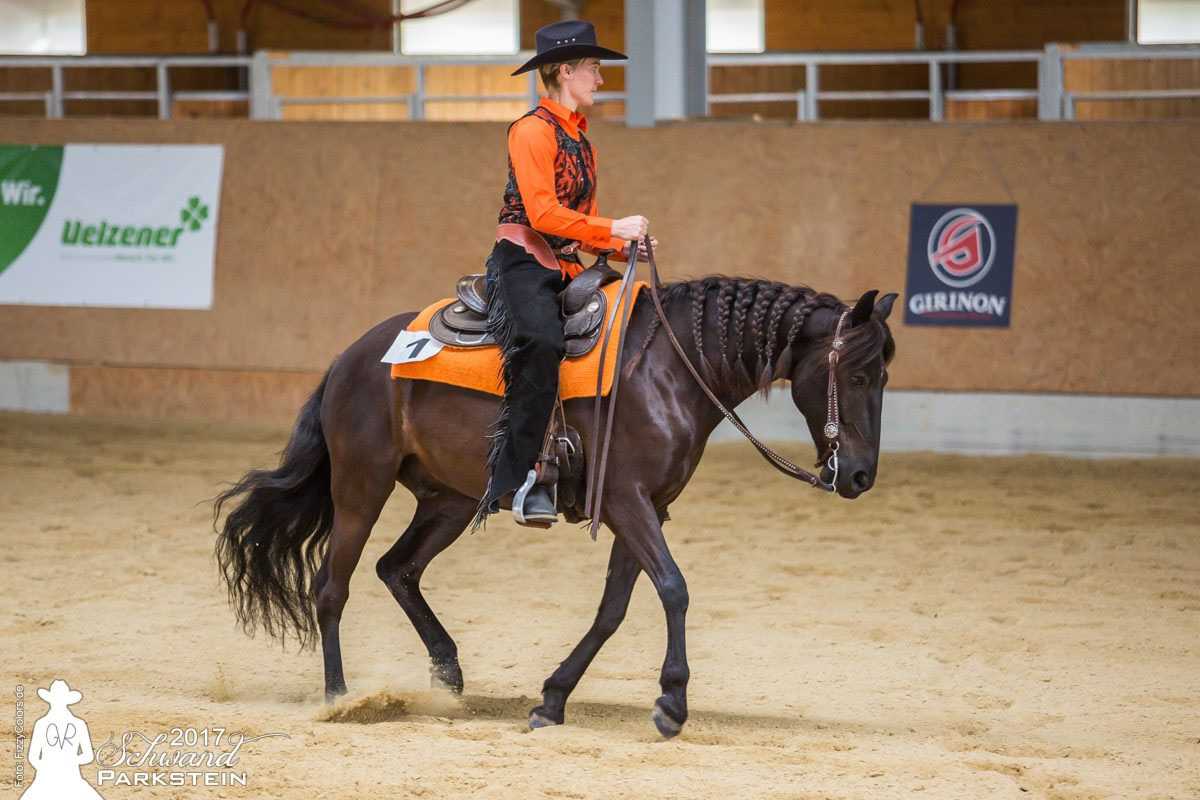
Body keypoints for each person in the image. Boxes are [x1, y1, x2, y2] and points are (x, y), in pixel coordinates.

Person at [476, 19, 657, 529]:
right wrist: (613, 224)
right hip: (523, 262)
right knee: (539, 340)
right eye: (594, 69)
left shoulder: (584, 140)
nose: (600, 79)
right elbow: (542, 215)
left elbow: (580, 227)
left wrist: (620, 245)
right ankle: (519, 478)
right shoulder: (530, 130)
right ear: (566, 71)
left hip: (568, 262)